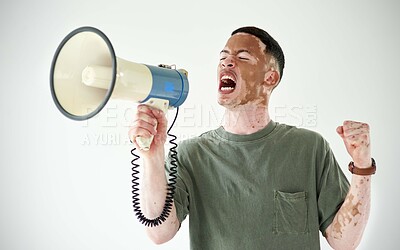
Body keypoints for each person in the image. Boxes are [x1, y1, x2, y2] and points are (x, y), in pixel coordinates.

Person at [128, 26, 375, 249]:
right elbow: (159, 233)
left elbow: (344, 241)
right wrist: (152, 155)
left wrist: (362, 167)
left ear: (270, 78)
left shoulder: (310, 148)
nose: (227, 63)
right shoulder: (190, 155)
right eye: (223, 58)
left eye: (242, 57)